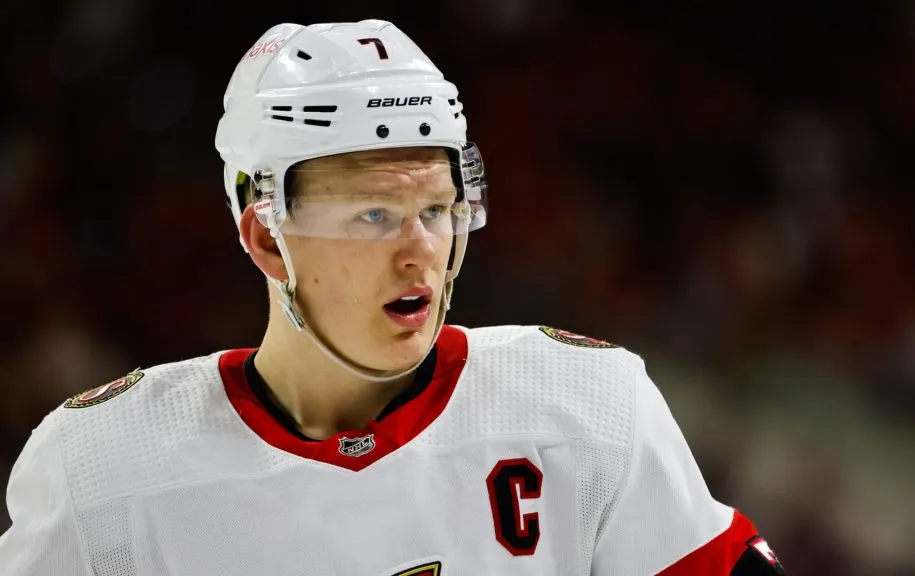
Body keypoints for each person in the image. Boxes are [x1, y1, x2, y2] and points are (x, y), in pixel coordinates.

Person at [0, 20, 786, 575]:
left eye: (436, 209)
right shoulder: (101, 476)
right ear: (267, 237)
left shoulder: (587, 406)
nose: (420, 251)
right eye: (373, 215)